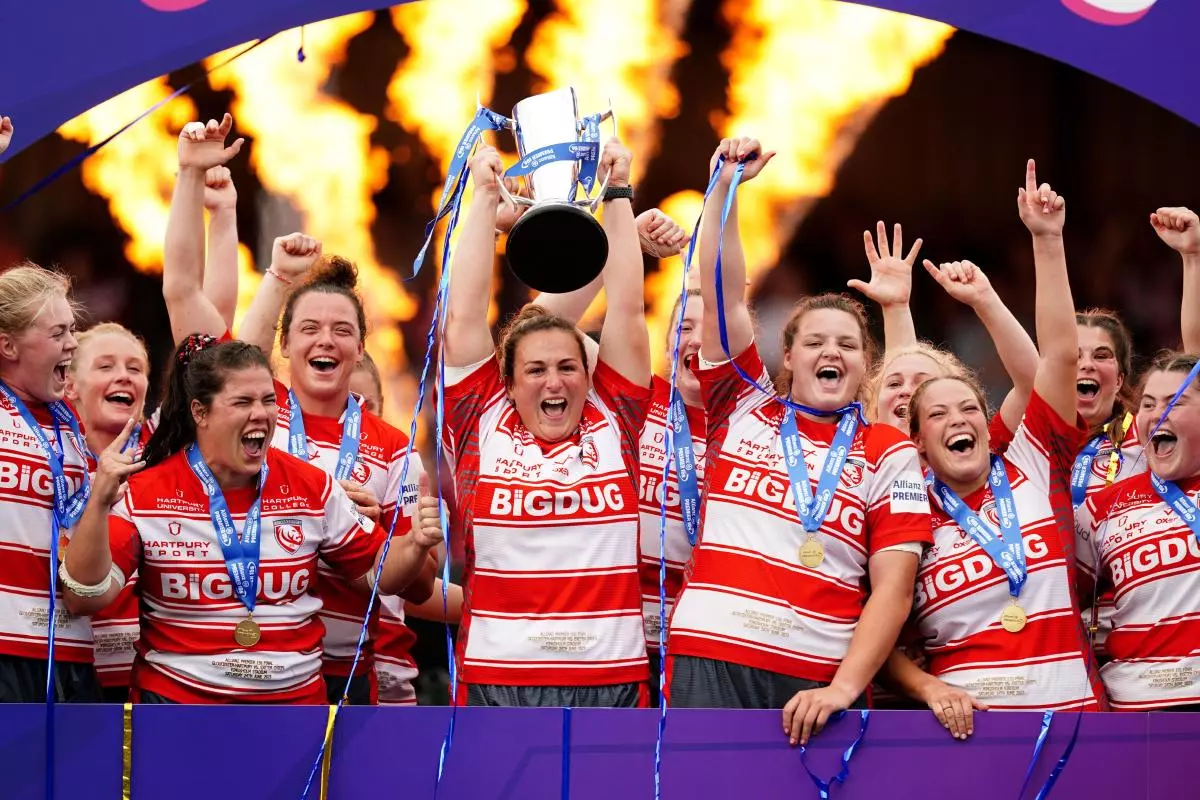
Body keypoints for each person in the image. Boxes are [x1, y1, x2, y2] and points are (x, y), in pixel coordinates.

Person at [665, 138, 932, 749]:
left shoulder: (889, 450)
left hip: (817, 672)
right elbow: (725, 290)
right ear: (787, 356)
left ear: (867, 367)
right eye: (814, 342)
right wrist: (727, 189)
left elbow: (893, 586)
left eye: (847, 344)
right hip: (714, 650)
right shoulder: (741, 404)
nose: (831, 352)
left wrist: (843, 687)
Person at [59, 337, 442, 703]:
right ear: (200, 412)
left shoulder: (314, 486)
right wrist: (98, 505)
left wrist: (413, 545)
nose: (260, 414)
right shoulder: (146, 492)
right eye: (242, 402)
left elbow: (381, 576)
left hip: (293, 711)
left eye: (268, 401)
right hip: (179, 708)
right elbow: (84, 595)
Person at [887, 161, 1103, 738]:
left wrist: (1044, 243)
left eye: (968, 409)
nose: (958, 419)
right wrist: (929, 686)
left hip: (1078, 724)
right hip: (969, 735)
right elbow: (870, 630)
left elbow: (1055, 359)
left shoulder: (1033, 463)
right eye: (937, 415)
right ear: (918, 445)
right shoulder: (904, 512)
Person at [442, 136, 651, 707]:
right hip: (496, 681)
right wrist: (483, 197)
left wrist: (617, 192)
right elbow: (462, 317)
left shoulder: (618, 415)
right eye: (535, 370)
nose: (554, 382)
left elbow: (628, 308)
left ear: (589, 376)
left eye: (567, 367)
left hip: (610, 681)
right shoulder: (479, 417)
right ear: (507, 384)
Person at [236, 238, 434, 705]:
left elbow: (422, 582)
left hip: (345, 674)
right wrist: (280, 275)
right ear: (284, 343)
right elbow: (234, 362)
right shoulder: (252, 418)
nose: (325, 340)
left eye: (341, 330)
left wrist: (374, 532)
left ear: (360, 347)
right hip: (251, 662)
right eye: (309, 328)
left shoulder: (396, 451)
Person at [1076, 351, 1200, 710]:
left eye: (1175, 402)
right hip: (1134, 708)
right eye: (1148, 404)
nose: (1158, 413)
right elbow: (1059, 599)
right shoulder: (1103, 507)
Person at [0, 262, 99, 702]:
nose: (73, 343)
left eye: (72, 330)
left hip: (71, 648)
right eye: (57, 334)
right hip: (6, 646)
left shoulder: (70, 424)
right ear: (8, 346)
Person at [65, 323, 152, 701]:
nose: (123, 375)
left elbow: (210, 347)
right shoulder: (46, 453)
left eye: (135, 368)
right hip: (65, 669)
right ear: (70, 386)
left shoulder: (165, 450)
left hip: (142, 675)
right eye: (105, 366)